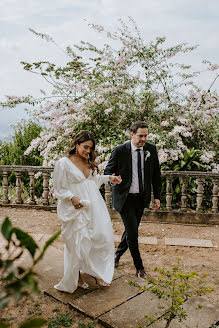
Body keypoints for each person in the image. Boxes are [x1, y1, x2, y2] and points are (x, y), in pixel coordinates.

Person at [53, 130, 122, 293]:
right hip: (74, 207)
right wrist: (71, 197)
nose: (88, 151)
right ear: (76, 144)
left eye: (90, 148)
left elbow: (92, 181)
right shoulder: (63, 163)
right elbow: (59, 187)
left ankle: (98, 272)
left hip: (93, 205)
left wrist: (108, 178)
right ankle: (76, 276)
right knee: (76, 242)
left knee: (101, 238)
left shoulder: (88, 161)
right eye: (85, 147)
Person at [104, 121, 161, 279]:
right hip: (125, 199)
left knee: (131, 231)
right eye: (140, 136)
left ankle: (116, 256)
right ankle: (139, 267)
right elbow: (108, 172)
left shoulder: (151, 149)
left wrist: (157, 196)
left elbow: (156, 175)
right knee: (133, 234)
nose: (143, 139)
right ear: (131, 134)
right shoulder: (119, 151)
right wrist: (113, 179)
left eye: (146, 136)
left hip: (141, 199)